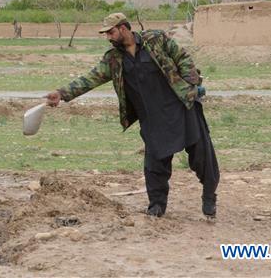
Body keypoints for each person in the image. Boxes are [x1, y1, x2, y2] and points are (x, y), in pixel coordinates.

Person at [46, 12, 219, 219]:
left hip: (180, 107)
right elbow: (90, 79)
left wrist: (191, 86)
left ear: (123, 28)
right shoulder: (114, 59)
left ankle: (209, 197)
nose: (108, 37)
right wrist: (62, 93)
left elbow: (182, 58)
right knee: (155, 165)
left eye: (111, 32)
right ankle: (157, 205)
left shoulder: (155, 40)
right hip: (152, 118)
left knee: (202, 156)